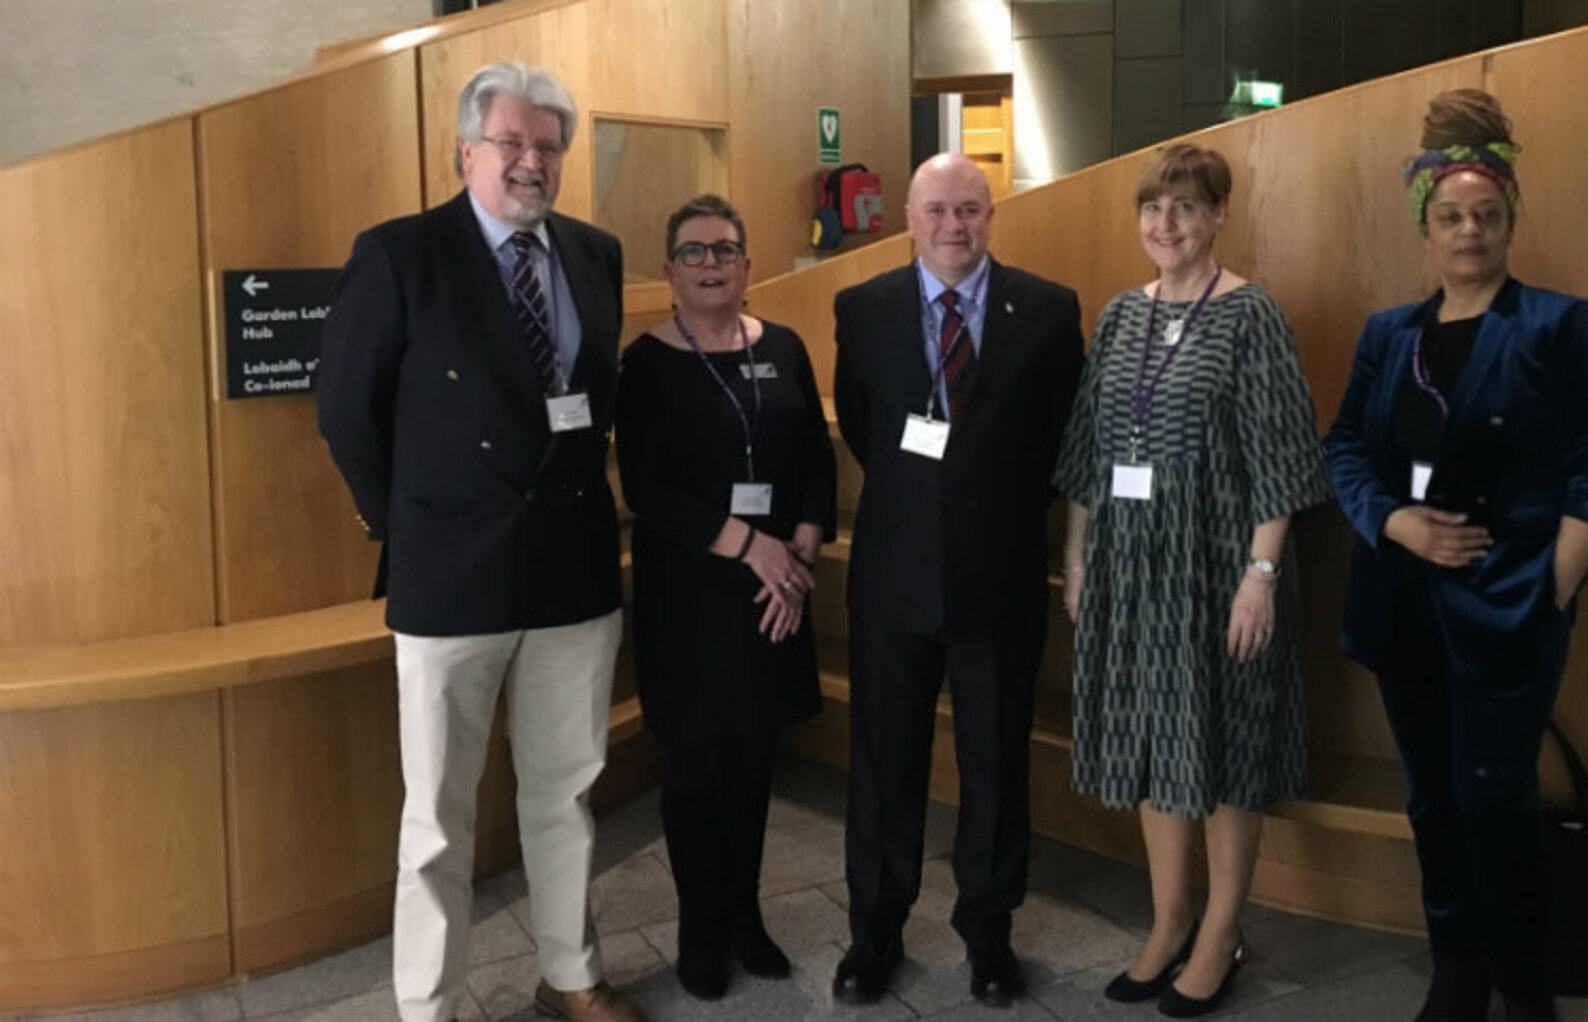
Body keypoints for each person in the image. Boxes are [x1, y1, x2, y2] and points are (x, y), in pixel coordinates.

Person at [317, 62, 641, 1022]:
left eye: (547, 146)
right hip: (448, 579)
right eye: (511, 142)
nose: (530, 162)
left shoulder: (594, 253)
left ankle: (570, 974)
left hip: (572, 572)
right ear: (467, 151)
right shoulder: (400, 254)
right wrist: (407, 524)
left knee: (565, 792)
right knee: (436, 821)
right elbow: (346, 414)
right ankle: (429, 1006)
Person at [1324, 89, 1588, 1022]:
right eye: (1451, 216)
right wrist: (1393, 522)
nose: (1469, 231)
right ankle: (1455, 967)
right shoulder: (1389, 335)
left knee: (1495, 799)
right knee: (1431, 801)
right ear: (1427, 226)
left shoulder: (1554, 325)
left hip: (1511, 607)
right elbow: (1343, 449)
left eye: (1486, 217)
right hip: (1403, 605)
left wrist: (1558, 582)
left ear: (1509, 223)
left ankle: (1524, 982)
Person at [1054, 143, 1333, 1019]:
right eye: (1153, 208)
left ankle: (1221, 931)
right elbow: (1090, 455)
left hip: (1216, 571)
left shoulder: (1252, 316)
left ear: (1218, 215)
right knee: (1147, 740)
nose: (1165, 224)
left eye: (1184, 208)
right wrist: (1076, 555)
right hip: (1127, 571)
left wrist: (1261, 576)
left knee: (1220, 748)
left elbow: (1282, 462)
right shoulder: (1118, 317)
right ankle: (1168, 919)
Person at [829, 153, 1085, 1008]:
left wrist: (980, 504)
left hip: (999, 579)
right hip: (893, 582)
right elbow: (866, 427)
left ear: (990, 215)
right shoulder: (861, 309)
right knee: (883, 764)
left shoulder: (1047, 312)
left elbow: (1059, 443)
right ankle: (875, 935)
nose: (953, 225)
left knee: (996, 761)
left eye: (969, 209)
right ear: (908, 216)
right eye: (936, 209)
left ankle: (989, 933)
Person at [613, 194, 833, 1001]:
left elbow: (813, 451)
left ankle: (746, 918)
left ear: (748, 265)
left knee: (752, 768)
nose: (711, 263)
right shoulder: (646, 362)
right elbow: (648, 488)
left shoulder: (783, 347)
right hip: (692, 597)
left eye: (726, 250)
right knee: (696, 772)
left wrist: (801, 546)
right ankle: (699, 929)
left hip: (775, 594)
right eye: (695, 251)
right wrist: (754, 547)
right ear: (670, 270)